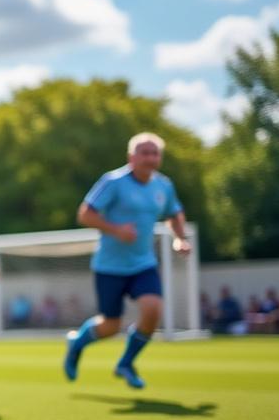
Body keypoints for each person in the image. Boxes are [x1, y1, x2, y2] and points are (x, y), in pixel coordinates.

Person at [63, 133, 190, 389]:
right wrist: (116, 229)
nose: (150, 158)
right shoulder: (113, 182)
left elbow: (175, 213)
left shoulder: (164, 185)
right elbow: (85, 214)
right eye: (145, 153)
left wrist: (180, 238)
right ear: (131, 157)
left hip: (143, 263)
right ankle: (78, 343)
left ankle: (126, 363)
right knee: (110, 326)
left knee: (153, 311)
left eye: (155, 153)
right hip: (109, 266)